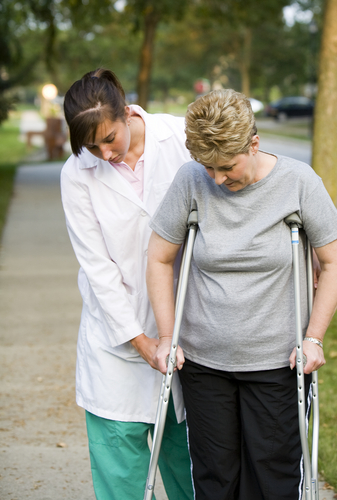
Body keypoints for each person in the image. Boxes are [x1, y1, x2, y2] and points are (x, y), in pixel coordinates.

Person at [146, 89, 337, 500]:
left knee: (271, 481)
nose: (218, 179)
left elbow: (335, 259)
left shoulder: (298, 182)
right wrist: (167, 337)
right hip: (204, 363)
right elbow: (159, 258)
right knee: (214, 479)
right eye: (208, 168)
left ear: (254, 144)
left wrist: (313, 337)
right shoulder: (191, 180)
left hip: (277, 363)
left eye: (227, 166)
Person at [60, 68, 194, 500]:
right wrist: (141, 341)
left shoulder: (179, 137)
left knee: (192, 465)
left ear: (125, 110)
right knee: (121, 475)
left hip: (191, 331)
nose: (103, 153)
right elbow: (98, 269)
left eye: (109, 138)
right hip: (115, 341)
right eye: (91, 146)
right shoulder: (76, 174)